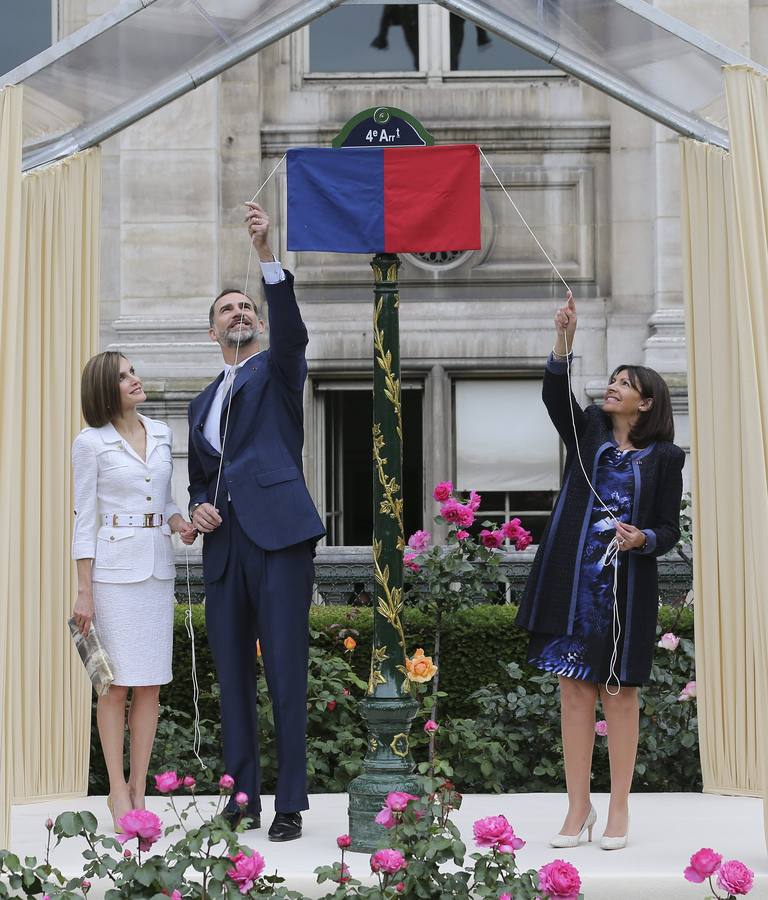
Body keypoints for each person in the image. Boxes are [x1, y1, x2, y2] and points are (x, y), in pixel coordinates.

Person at [516, 293, 684, 851]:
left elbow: (668, 529)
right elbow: (551, 395)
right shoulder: (587, 431)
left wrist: (644, 538)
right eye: (611, 379)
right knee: (573, 695)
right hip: (573, 585)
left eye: (624, 382)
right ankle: (577, 810)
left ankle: (618, 812)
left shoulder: (665, 459)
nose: (611, 386)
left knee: (619, 695)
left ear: (646, 402)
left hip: (626, 590)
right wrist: (563, 337)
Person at [187, 203, 325, 841]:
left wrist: (268, 254)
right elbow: (199, 478)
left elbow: (291, 330)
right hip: (223, 548)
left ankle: (290, 804)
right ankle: (241, 797)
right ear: (211, 330)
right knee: (234, 678)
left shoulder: (278, 369)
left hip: (279, 538)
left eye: (247, 307)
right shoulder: (199, 403)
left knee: (286, 672)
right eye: (227, 309)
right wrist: (195, 507)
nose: (239, 314)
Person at [71, 352, 196, 832]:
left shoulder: (162, 433)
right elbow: (84, 517)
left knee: (150, 684)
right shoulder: (90, 443)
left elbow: (165, 500)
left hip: (157, 568)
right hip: (112, 574)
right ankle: (116, 789)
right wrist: (84, 590)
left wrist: (180, 522)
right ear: (106, 388)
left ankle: (141, 790)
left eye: (133, 372)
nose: (135, 380)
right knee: (114, 685)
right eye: (123, 377)